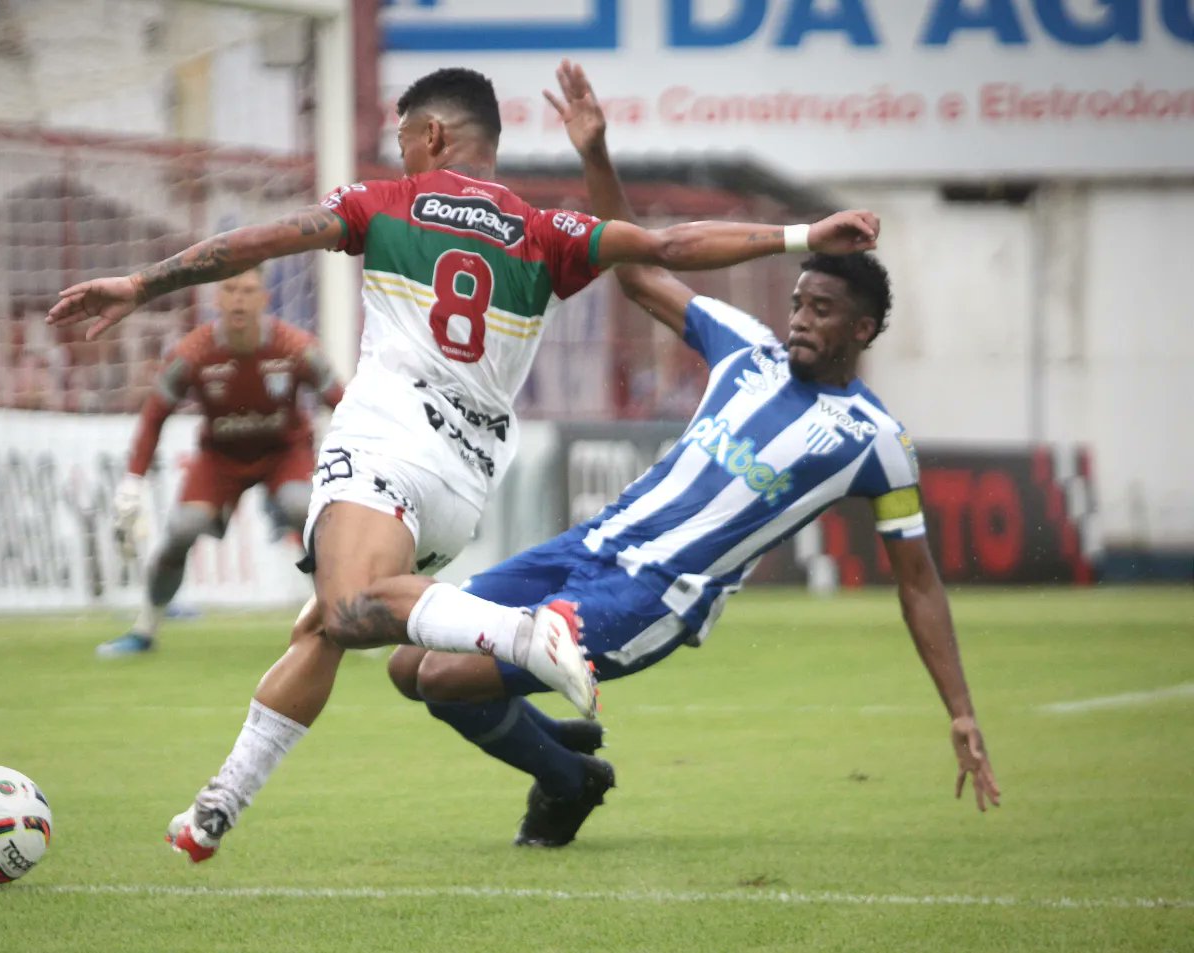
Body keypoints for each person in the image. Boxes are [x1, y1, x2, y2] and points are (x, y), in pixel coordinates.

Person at [46, 67, 880, 862]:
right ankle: (218, 805)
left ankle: (526, 634)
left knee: (350, 606)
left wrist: (142, 284)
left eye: (404, 140)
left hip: (387, 442)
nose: (401, 155)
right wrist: (802, 235)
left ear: (435, 135)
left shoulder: (385, 202)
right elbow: (668, 243)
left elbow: (257, 241)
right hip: (461, 483)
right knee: (329, 624)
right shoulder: (547, 230)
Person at [363, 61, 1001, 847]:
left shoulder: (876, 442)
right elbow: (635, 271)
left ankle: (565, 779)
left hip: (654, 597)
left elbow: (920, 583)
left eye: (822, 310)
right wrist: (596, 154)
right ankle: (561, 752)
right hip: (589, 546)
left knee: (447, 676)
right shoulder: (744, 346)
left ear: (862, 330)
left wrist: (961, 711)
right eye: (798, 302)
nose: (800, 319)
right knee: (408, 662)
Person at [96, 267, 344, 658]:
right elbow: (154, 415)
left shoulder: (296, 348)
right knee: (182, 530)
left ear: (265, 298)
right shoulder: (192, 354)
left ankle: (342, 620)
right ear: (218, 299)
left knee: (303, 509)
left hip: (284, 452)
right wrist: (132, 481)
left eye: (248, 290)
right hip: (221, 457)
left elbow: (343, 403)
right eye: (230, 289)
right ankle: (144, 630)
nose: (239, 299)